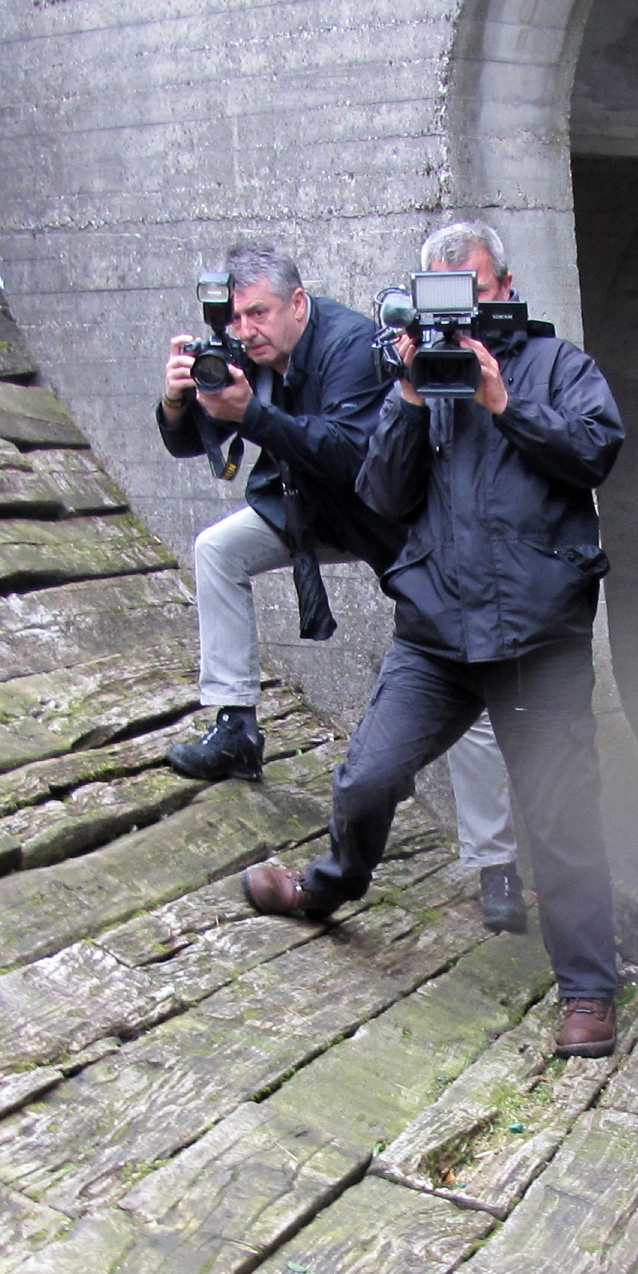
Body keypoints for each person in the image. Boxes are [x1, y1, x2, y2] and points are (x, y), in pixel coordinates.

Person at [240, 220, 629, 1056]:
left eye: (478, 292)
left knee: (561, 818)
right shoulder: (412, 376)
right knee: (367, 776)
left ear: (507, 285)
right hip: (438, 636)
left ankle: (589, 993)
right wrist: (415, 397)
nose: (467, 313)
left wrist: (503, 402)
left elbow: (597, 453)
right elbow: (379, 490)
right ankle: (328, 885)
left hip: (538, 639)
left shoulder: (559, 366)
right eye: (446, 297)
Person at [155, 240, 530, 934]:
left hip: (396, 526)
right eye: (237, 317)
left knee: (466, 682)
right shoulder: (251, 353)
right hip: (314, 515)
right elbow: (199, 440)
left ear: (298, 303)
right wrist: (181, 402)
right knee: (218, 549)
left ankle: (495, 863)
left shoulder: (354, 345)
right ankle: (236, 726)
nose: (247, 330)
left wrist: (253, 415)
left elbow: (352, 452)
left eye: (260, 313)